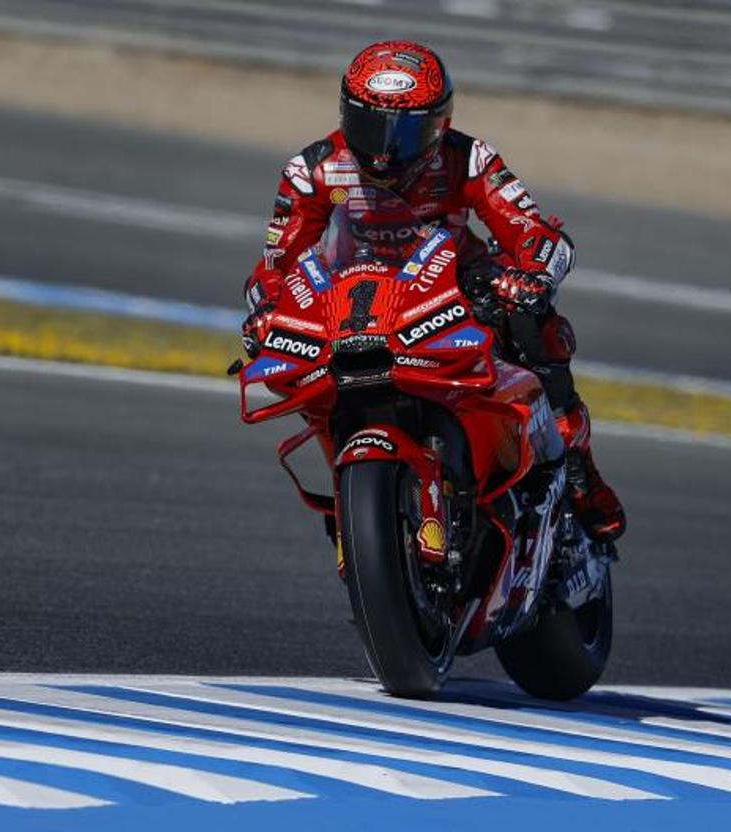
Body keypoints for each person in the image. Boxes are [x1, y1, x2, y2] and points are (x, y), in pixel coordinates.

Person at [242, 40, 625, 542]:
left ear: (439, 124)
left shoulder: (468, 159)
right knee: (294, 365)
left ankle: (576, 463)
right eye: (370, 125)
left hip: (455, 288)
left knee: (535, 323)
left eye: (406, 132)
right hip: (355, 303)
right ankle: (354, 504)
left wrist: (530, 273)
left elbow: (531, 229)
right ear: (344, 113)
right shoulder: (311, 171)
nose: (385, 150)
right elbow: (276, 264)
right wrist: (266, 310)